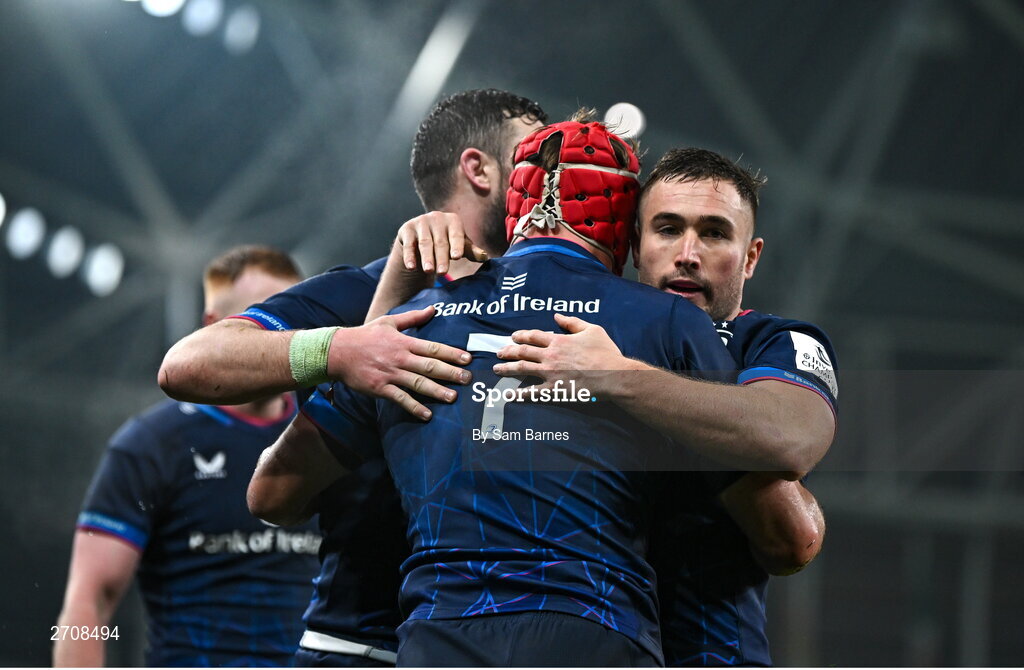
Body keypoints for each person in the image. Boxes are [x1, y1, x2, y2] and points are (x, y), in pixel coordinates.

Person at [282, 117, 739, 666]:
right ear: (624, 222)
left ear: (513, 206)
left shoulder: (398, 329)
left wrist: (341, 348)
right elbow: (780, 525)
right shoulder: (667, 321)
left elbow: (272, 495)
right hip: (595, 635)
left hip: (439, 637)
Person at [163, 89, 548, 665]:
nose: (555, 179)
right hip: (359, 647)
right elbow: (188, 364)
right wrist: (343, 349)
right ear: (479, 169)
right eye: (537, 158)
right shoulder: (361, 292)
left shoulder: (564, 305)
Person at [491, 147, 836, 665]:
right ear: (635, 244)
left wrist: (620, 379)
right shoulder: (569, 335)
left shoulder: (771, 342)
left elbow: (791, 441)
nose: (688, 254)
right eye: (668, 228)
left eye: (715, 233)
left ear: (751, 255)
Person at [54, 246, 319, 667]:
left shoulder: (333, 434)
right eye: (262, 320)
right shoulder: (152, 444)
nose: (281, 335)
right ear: (213, 328)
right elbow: (89, 601)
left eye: (291, 320)